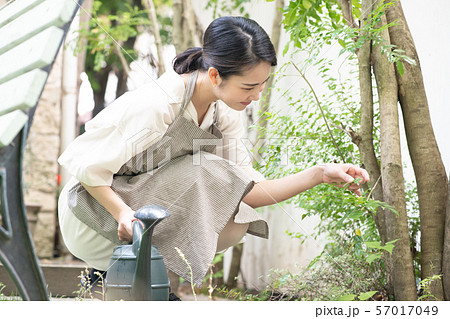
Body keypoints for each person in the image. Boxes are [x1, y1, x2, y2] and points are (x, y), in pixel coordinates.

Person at [57, 16, 369, 299]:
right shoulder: (158, 102)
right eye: (249, 86)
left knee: (235, 212)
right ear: (215, 74)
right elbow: (88, 170)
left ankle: (145, 286)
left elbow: (246, 191)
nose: (257, 96)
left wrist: (318, 174)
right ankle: (120, 274)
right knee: (203, 169)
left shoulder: (224, 113)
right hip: (91, 210)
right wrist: (123, 214)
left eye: (263, 85)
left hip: (139, 210)